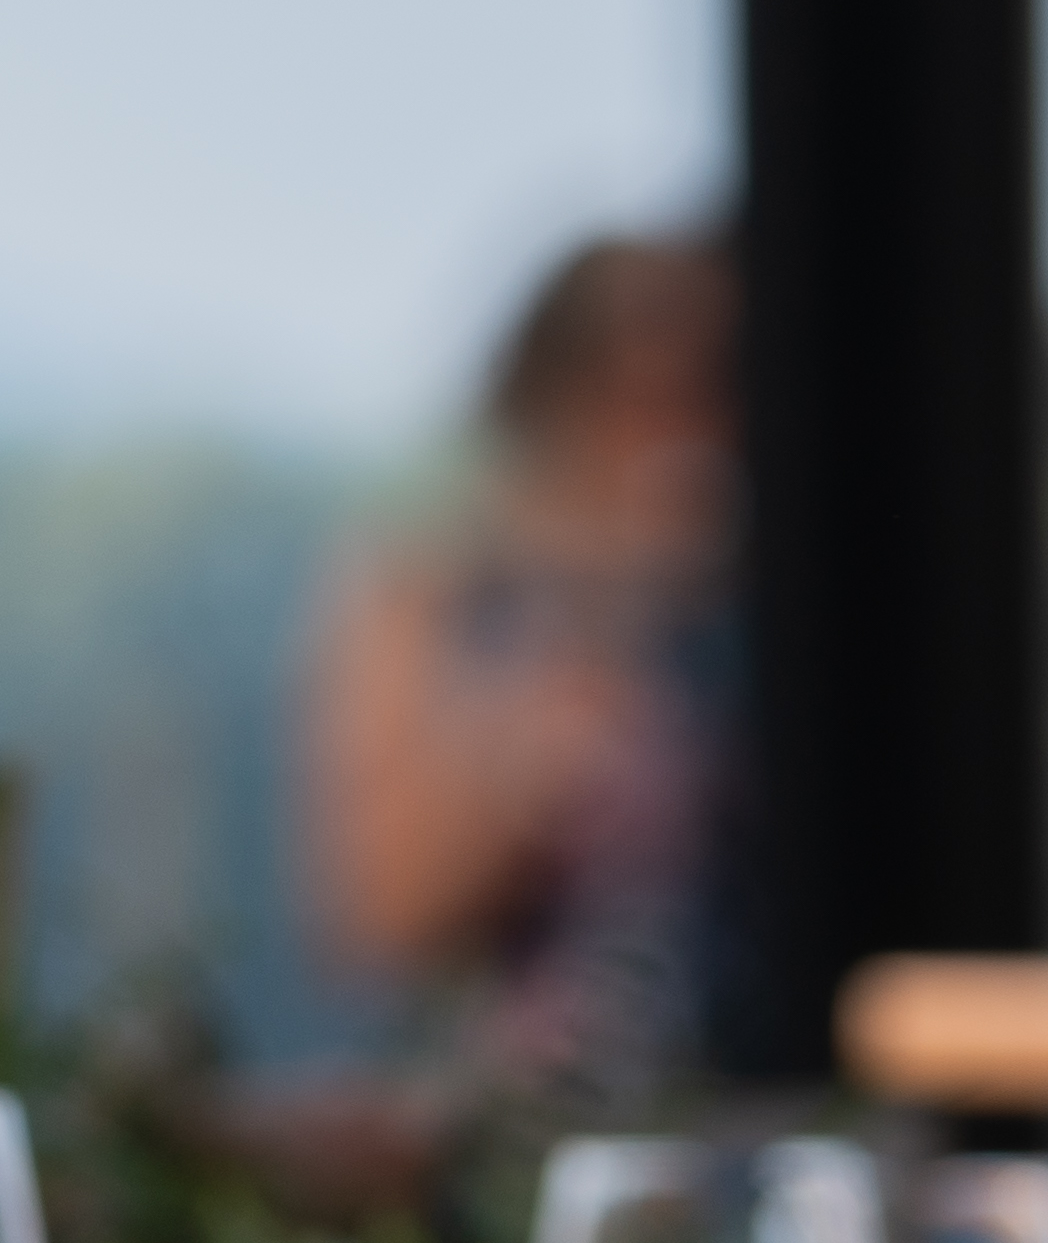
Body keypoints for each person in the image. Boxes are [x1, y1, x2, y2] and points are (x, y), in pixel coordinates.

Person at [307, 225, 733, 1085]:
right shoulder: (428, 592)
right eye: (641, 401)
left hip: (745, 1107)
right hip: (506, 1134)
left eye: (706, 396)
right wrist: (526, 751)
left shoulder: (743, 611)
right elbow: (369, 924)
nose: (678, 444)